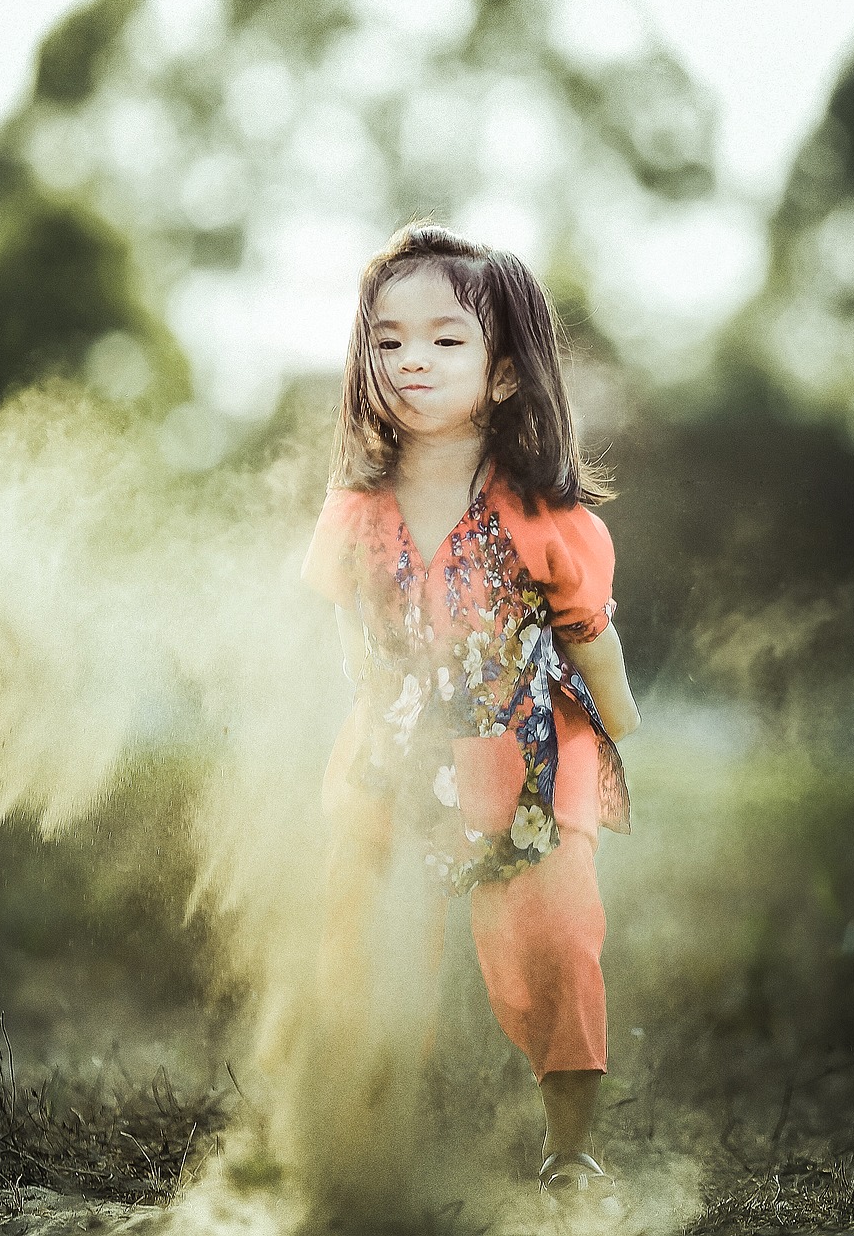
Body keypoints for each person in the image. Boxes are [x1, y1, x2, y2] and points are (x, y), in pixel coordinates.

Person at [301, 223, 641, 1210]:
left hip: (525, 760)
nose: (411, 360)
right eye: (387, 338)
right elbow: (351, 631)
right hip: (394, 752)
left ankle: (571, 1149)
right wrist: (376, 709)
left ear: (502, 375)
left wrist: (619, 726)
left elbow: (590, 637)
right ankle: (360, 1141)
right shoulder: (352, 511)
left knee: (554, 945)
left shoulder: (550, 518)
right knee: (364, 937)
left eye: (446, 340)